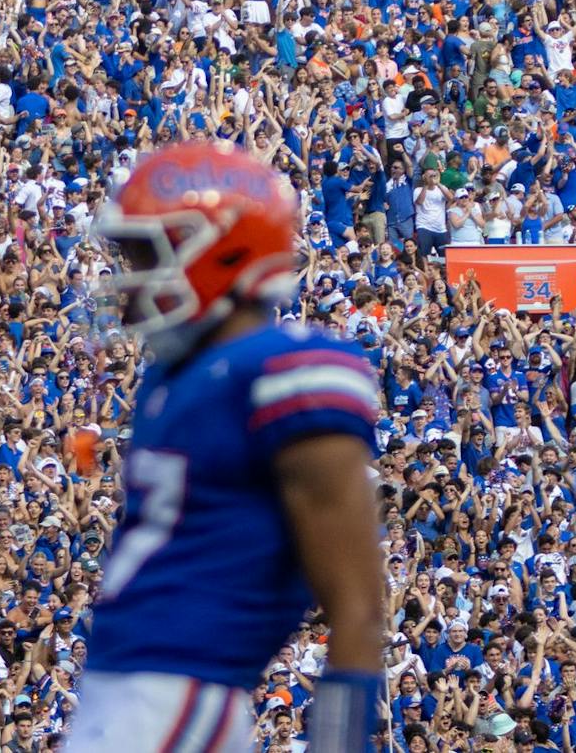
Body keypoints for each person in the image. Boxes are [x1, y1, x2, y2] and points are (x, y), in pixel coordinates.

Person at [67, 141, 385, 752]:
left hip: (178, 693)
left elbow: (358, 609)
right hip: (124, 688)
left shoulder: (288, 369)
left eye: (146, 254)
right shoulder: (173, 376)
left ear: (219, 252)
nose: (128, 280)